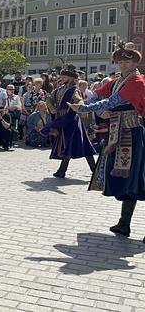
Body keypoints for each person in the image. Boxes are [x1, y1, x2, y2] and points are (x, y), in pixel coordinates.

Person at [68, 42, 145, 240]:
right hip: (119, 132)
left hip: (134, 134)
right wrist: (91, 104)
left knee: (138, 180)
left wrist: (84, 108)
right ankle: (124, 224)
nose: (122, 64)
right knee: (130, 181)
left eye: (126, 61)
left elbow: (113, 101)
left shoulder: (137, 81)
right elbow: (98, 94)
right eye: (120, 61)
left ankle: (125, 224)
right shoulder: (118, 80)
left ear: (135, 62)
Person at [41, 65, 96, 178]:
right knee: (70, 144)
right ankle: (63, 170)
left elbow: (79, 100)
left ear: (70, 78)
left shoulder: (74, 90)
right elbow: (49, 98)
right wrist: (51, 107)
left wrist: (82, 108)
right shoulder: (59, 89)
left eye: (64, 76)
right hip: (61, 119)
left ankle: (94, 169)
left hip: (71, 119)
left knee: (78, 144)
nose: (61, 77)